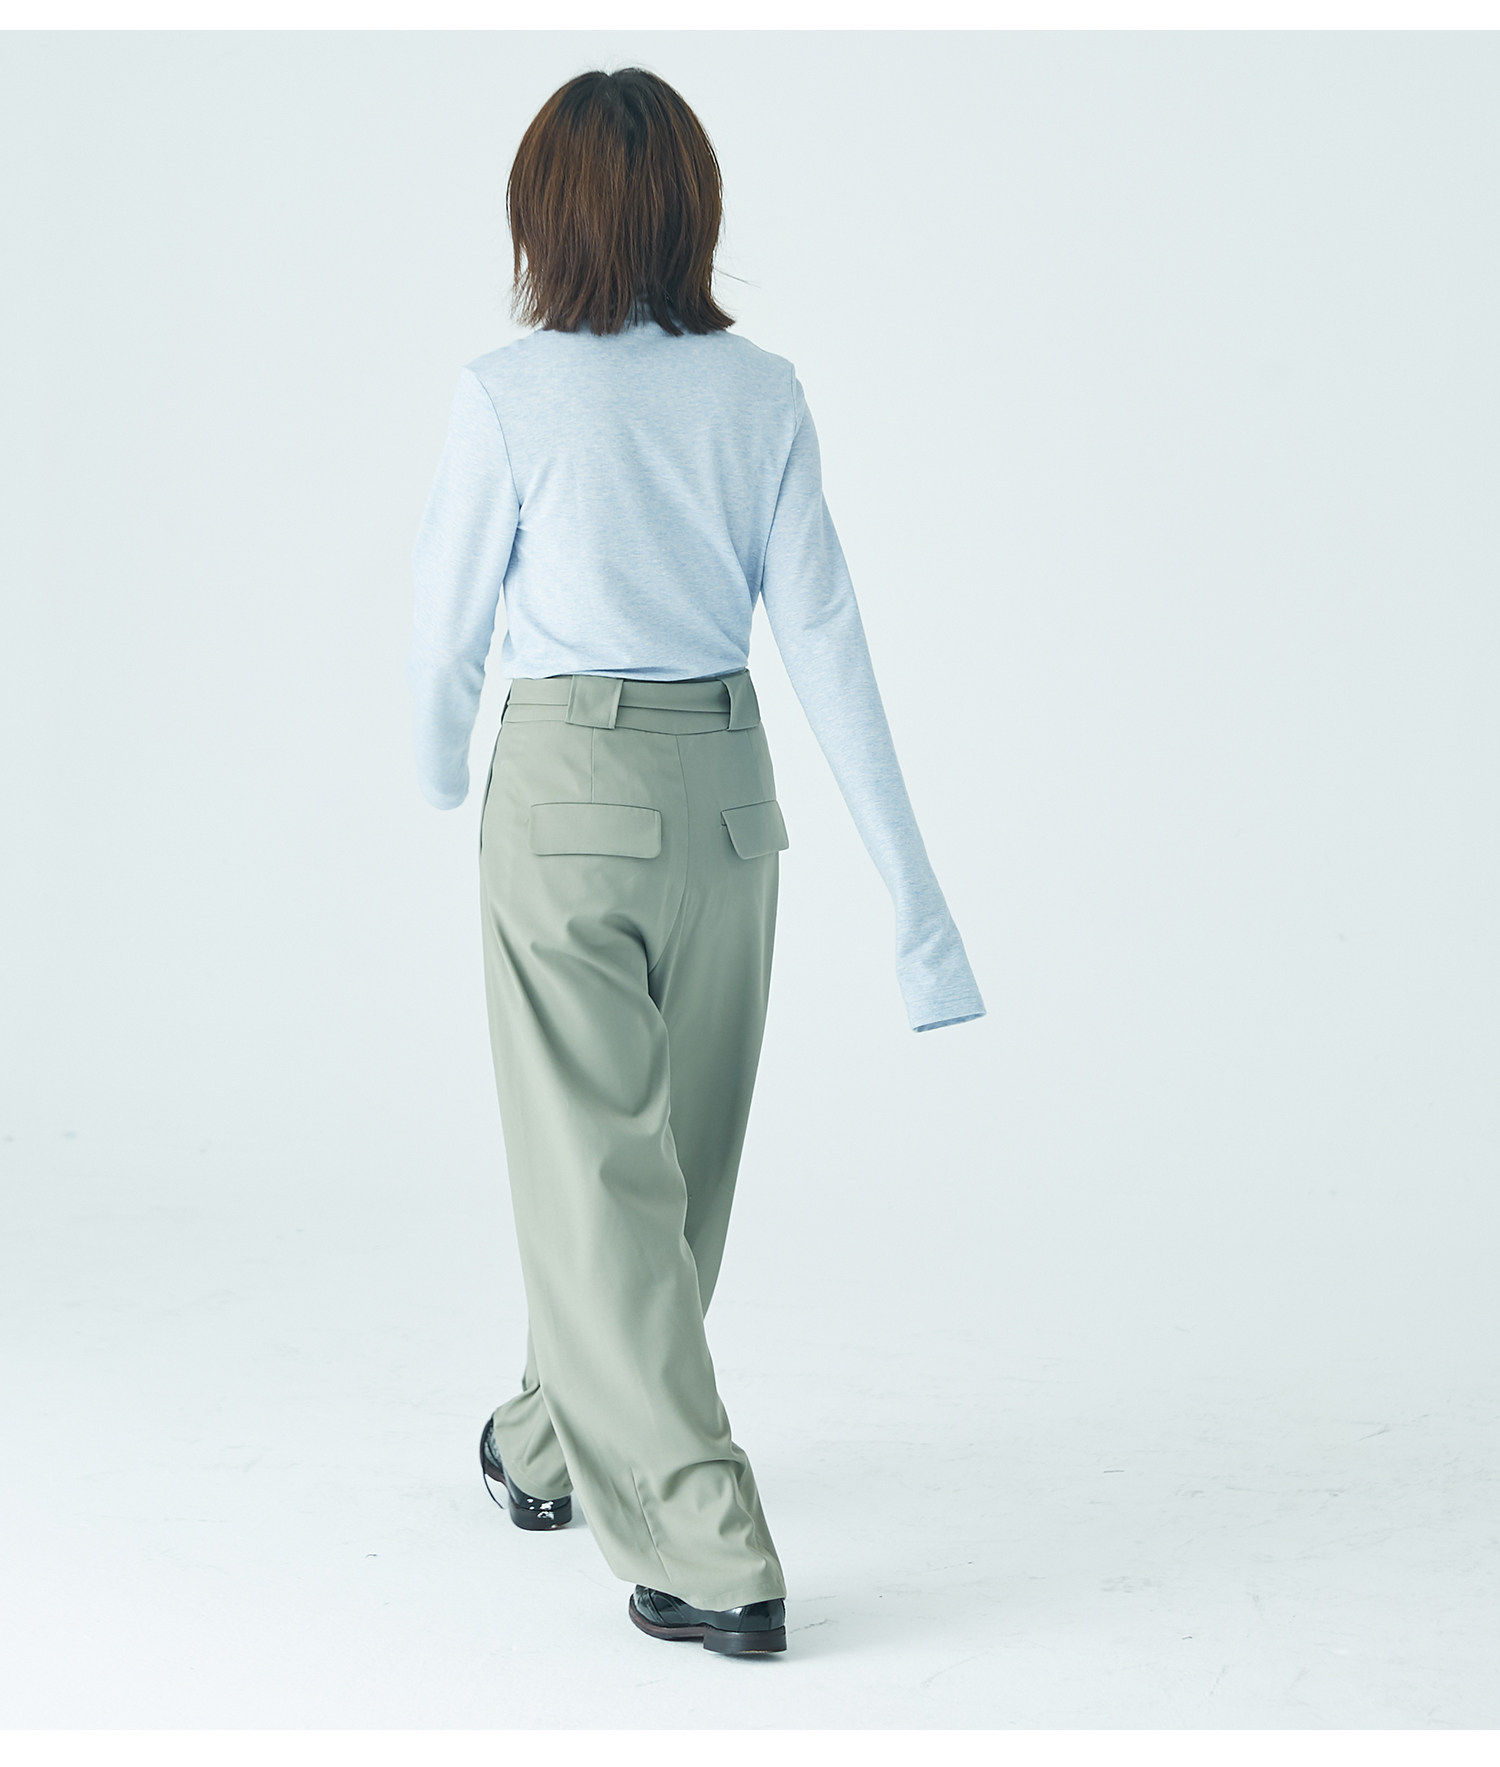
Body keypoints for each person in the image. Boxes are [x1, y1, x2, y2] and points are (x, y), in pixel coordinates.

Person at [406, 67, 985, 1657]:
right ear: (692, 213)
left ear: (543, 218)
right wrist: (916, 906)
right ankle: (550, 1440)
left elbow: (446, 631)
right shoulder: (762, 394)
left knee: (600, 1176)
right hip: (731, 803)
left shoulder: (508, 394)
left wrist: (437, 772)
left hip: (569, 796)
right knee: (668, 1181)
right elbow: (827, 642)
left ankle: (709, 1541)